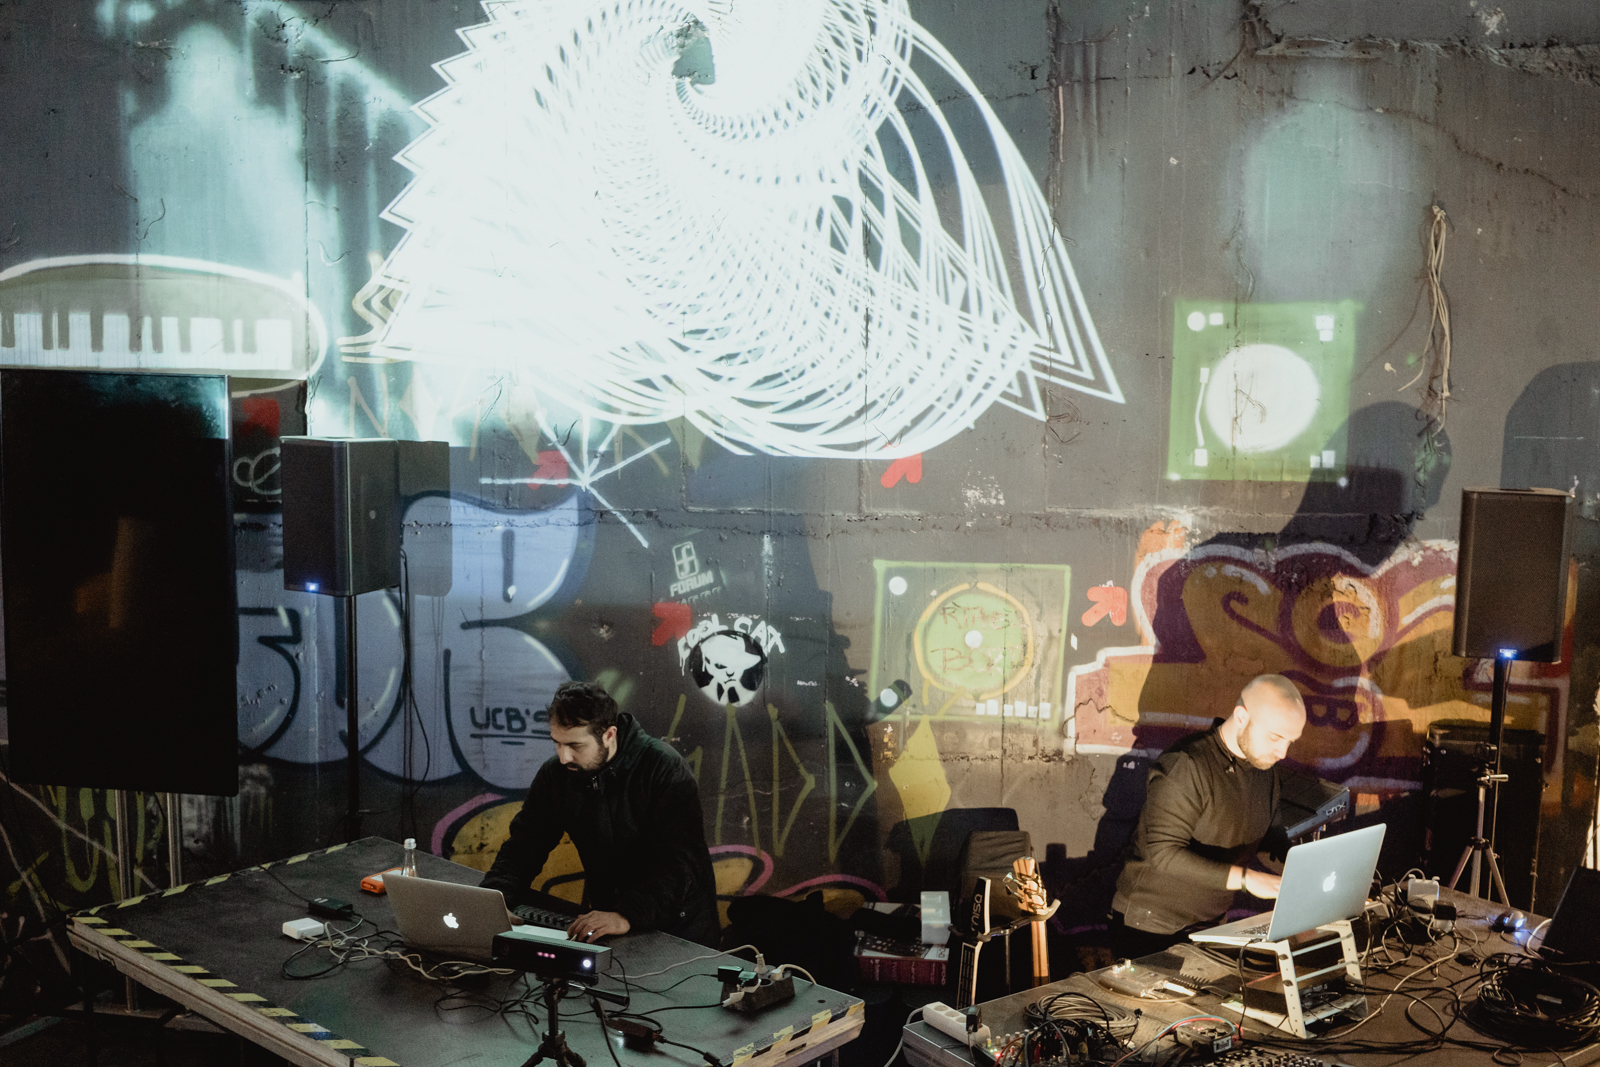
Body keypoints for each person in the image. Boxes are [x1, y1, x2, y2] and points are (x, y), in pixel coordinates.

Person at [481, 681, 720, 946]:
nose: (564, 757)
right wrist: (493, 900)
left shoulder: (663, 768)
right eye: (557, 744)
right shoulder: (556, 776)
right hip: (610, 924)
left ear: (609, 735)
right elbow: (523, 846)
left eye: (575, 746)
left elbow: (682, 863)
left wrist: (626, 914)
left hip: (680, 931)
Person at [1109, 674, 1307, 959]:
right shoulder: (1187, 765)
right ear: (1241, 717)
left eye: (1290, 741)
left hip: (1211, 923)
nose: (1283, 752)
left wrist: (1305, 871)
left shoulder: (1264, 768)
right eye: (1275, 737)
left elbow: (1270, 839)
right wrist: (1247, 879)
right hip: (1151, 926)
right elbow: (1164, 854)